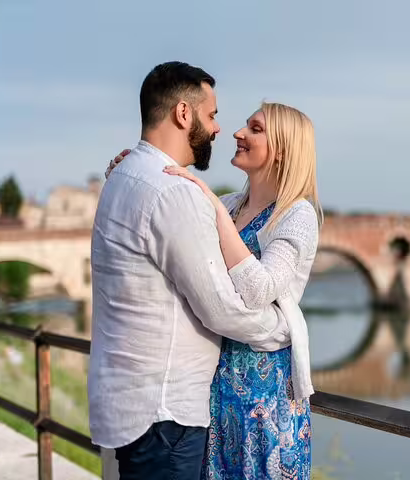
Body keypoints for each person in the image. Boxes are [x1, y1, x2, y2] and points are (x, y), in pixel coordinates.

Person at [89, 61, 292, 480]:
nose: (219, 129)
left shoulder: (123, 175)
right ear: (184, 114)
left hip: (134, 408)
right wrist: (284, 329)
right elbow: (220, 308)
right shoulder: (172, 193)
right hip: (165, 417)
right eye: (212, 115)